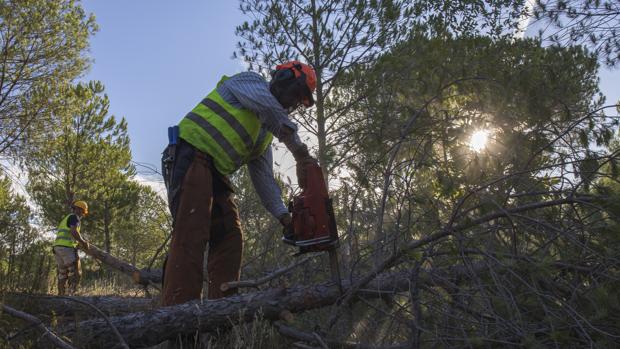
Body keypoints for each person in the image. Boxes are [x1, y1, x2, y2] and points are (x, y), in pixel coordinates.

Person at [161, 61, 318, 306]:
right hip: (191, 154)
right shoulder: (249, 82)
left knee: (230, 239)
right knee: (192, 234)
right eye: (296, 92)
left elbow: (264, 179)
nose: (294, 101)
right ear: (283, 77)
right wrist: (301, 154)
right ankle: (177, 320)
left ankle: (221, 315)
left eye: (300, 99)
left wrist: (284, 217)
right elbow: (269, 109)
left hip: (217, 176)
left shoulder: (265, 133)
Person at [53, 200, 90, 295]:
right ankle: (71, 295)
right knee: (75, 272)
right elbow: (74, 232)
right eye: (82, 211)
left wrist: (77, 243)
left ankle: (61, 296)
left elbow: (70, 234)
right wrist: (83, 242)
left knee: (62, 274)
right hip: (66, 248)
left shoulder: (67, 218)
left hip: (57, 248)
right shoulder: (74, 217)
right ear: (77, 209)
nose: (82, 214)